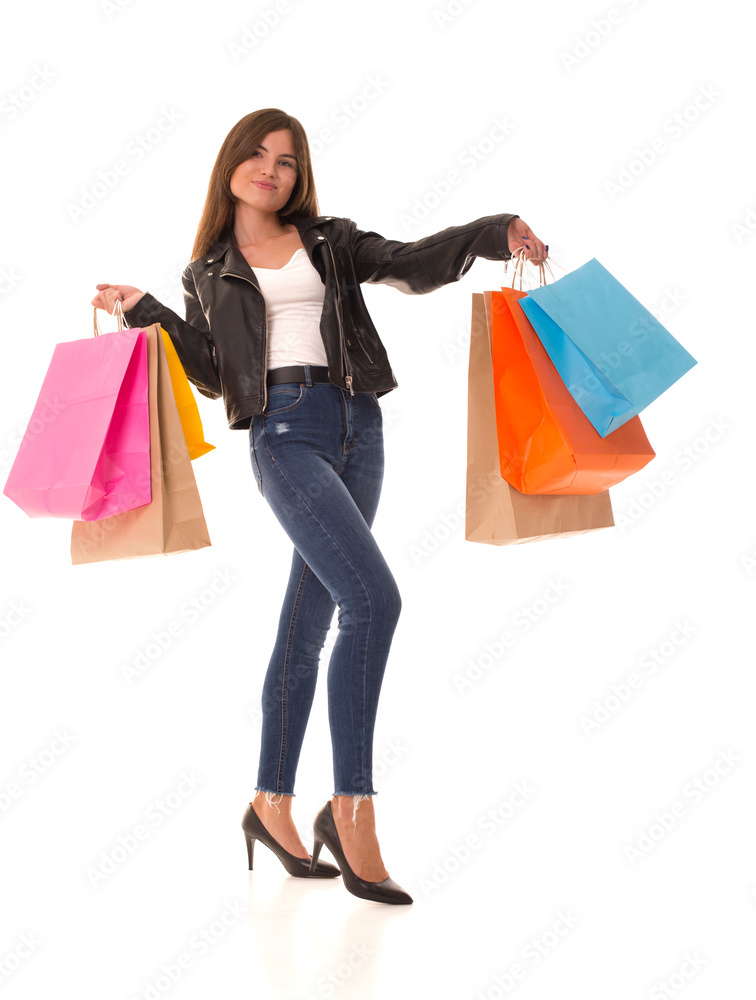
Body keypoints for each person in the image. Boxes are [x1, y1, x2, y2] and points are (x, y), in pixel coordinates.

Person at [92, 108, 546, 905]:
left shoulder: (331, 241)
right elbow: (208, 370)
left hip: (357, 427)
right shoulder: (209, 271)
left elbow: (409, 262)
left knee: (309, 620)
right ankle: (354, 806)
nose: (273, 169)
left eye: (289, 161)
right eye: (259, 155)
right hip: (283, 434)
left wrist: (492, 229)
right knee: (372, 601)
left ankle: (270, 803)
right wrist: (148, 310)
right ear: (231, 163)